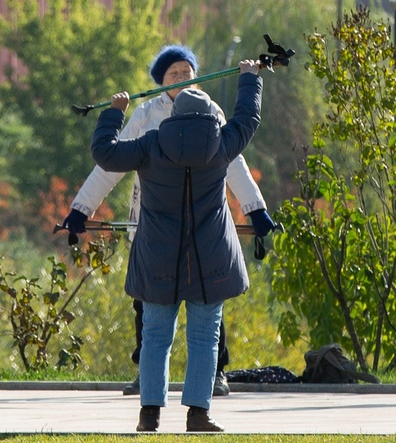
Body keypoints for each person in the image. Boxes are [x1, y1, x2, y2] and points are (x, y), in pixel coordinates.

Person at [59, 45, 275, 397]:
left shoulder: (211, 112)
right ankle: (148, 379)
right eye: (174, 74)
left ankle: (213, 376)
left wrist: (255, 208)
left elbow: (233, 162)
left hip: (204, 228)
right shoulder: (145, 116)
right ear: (160, 83)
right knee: (149, 309)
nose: (183, 79)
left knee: (208, 306)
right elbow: (110, 165)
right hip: (155, 229)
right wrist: (81, 208)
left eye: (188, 73)